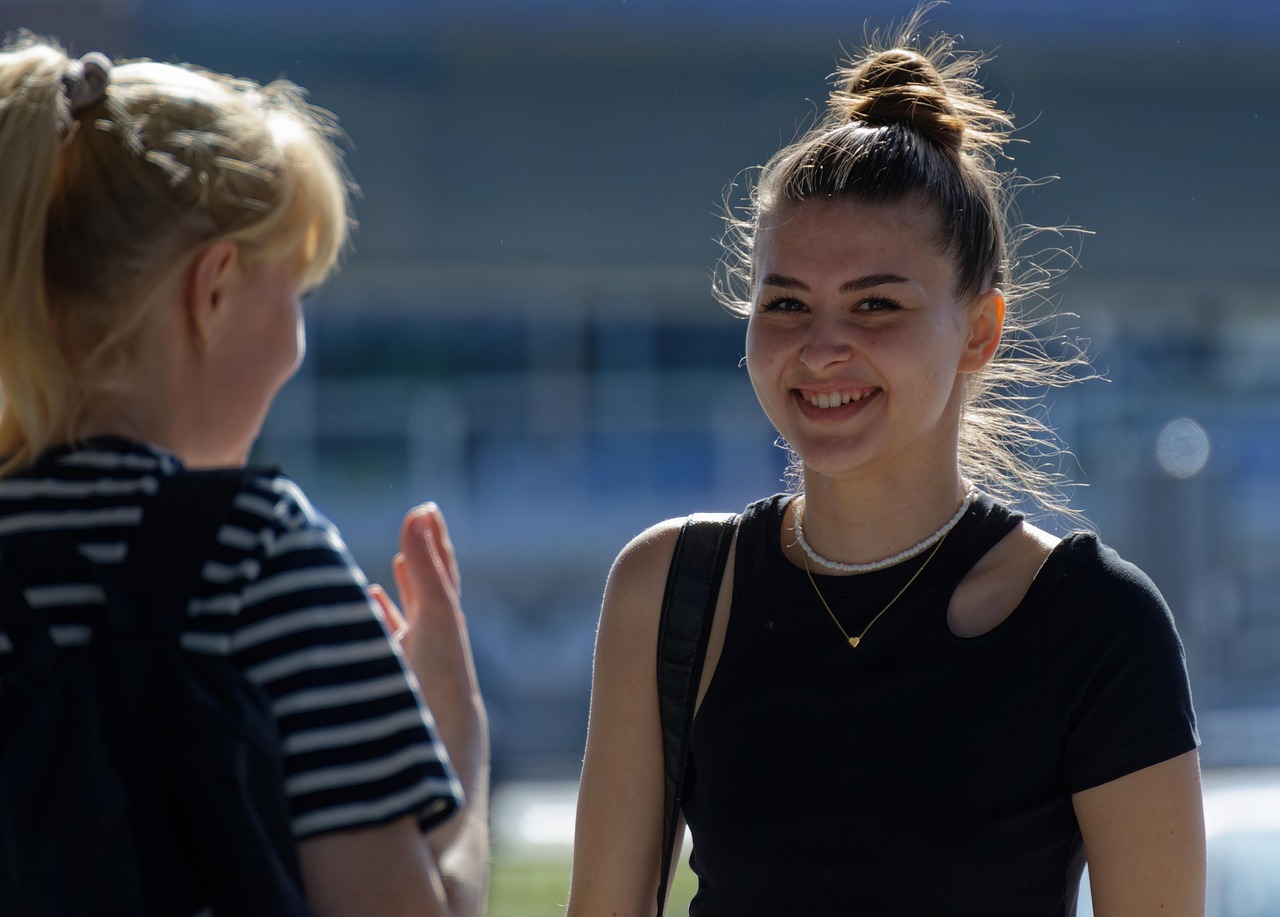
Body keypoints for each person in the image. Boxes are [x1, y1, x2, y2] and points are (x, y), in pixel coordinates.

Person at [568, 14, 1204, 917]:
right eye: (785, 302)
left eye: (875, 304)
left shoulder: (1096, 625)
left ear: (979, 329)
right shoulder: (669, 593)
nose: (822, 347)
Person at [0, 35, 488, 916]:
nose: (298, 348)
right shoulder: (255, 553)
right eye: (294, 291)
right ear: (213, 291)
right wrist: (456, 765)